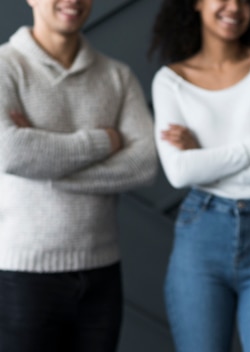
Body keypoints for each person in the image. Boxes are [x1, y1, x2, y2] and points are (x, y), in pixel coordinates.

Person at [148, 0, 250, 351]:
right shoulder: (170, 82)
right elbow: (179, 172)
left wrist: (205, 158)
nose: (234, 6)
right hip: (200, 236)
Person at [0, 0, 158, 351]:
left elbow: (144, 162)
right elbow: (10, 152)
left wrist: (47, 165)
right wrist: (107, 140)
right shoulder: (4, 66)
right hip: (21, 277)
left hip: (102, 275)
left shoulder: (116, 75)